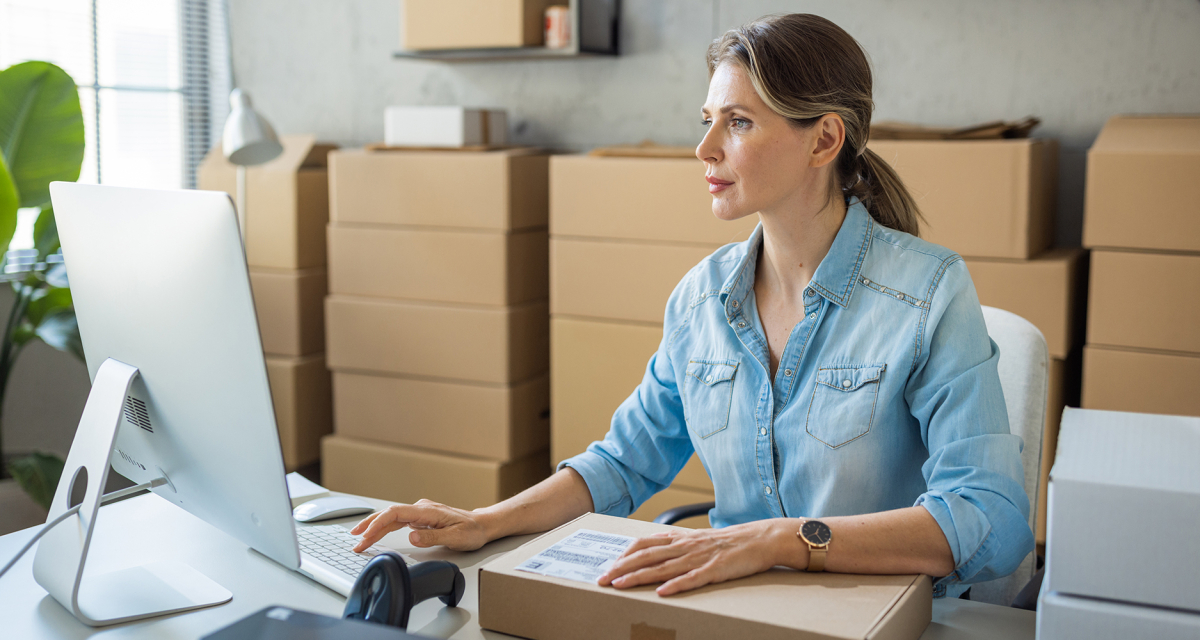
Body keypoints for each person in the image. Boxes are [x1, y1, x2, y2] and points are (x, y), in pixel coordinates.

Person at [352, 13, 1033, 599]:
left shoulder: (928, 292)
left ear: (824, 140)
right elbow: (623, 462)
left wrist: (781, 541)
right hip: (730, 607)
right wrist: (487, 520)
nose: (704, 149)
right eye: (708, 121)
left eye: (738, 123)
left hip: (872, 613)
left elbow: (992, 521)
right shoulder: (701, 299)